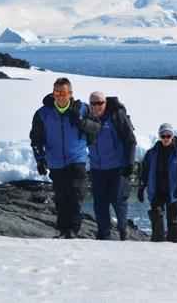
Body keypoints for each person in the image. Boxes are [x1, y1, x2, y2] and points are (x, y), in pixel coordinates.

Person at [30, 77, 101, 239]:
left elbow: (97, 127)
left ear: (70, 93)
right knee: (61, 197)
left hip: (76, 159)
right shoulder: (42, 113)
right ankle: (63, 230)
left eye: (63, 93)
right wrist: (40, 158)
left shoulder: (82, 109)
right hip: (55, 161)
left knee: (74, 194)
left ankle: (72, 230)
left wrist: (81, 122)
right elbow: (36, 139)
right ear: (53, 93)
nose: (60, 96)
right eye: (57, 93)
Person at [87, 91, 137, 241]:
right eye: (93, 104)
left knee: (117, 199)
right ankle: (105, 236)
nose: (96, 107)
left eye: (100, 103)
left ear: (106, 103)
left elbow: (130, 140)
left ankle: (123, 228)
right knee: (100, 204)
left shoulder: (116, 116)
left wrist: (129, 163)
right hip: (97, 168)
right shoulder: (87, 119)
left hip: (117, 167)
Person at [137, 123, 177, 243]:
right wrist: (141, 187)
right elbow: (145, 171)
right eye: (162, 136)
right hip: (157, 190)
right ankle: (158, 242)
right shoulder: (151, 153)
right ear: (159, 136)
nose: (165, 138)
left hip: (174, 190)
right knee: (156, 214)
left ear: (173, 136)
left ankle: (173, 244)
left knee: (173, 220)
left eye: (168, 136)